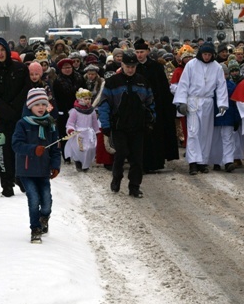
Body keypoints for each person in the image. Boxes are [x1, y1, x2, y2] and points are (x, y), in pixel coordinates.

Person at [99, 50, 156, 198]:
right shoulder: (112, 82)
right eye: (127, 66)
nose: (130, 69)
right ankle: (117, 177)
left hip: (138, 126)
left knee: (137, 159)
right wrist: (105, 125)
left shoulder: (142, 82)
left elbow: (150, 103)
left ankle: (134, 186)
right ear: (122, 64)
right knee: (121, 153)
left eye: (133, 66)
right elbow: (104, 104)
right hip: (119, 126)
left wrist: (150, 120)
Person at [11, 88, 62, 243]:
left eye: (43, 104)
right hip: (26, 170)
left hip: (43, 170)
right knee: (33, 199)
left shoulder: (50, 124)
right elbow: (16, 145)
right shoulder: (22, 124)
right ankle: (35, 229)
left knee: (46, 200)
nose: (41, 107)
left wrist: (55, 165)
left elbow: (55, 148)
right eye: (37, 104)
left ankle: (44, 217)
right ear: (30, 106)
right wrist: (33, 149)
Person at [174, 42, 228, 175]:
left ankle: (202, 161)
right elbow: (184, 83)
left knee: (206, 133)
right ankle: (193, 162)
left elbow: (221, 86)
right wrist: (181, 102)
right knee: (193, 132)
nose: (207, 57)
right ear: (200, 54)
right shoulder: (191, 65)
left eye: (209, 55)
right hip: (193, 101)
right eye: (205, 54)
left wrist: (222, 103)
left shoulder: (217, 67)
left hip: (208, 102)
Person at [0, 37, 31, 196]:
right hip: (1, 120)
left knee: (19, 150)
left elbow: (25, 91)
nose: (0, 53)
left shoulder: (20, 69)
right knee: (2, 153)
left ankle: (22, 179)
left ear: (7, 49)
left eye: (2, 50)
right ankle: (6, 184)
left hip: (19, 119)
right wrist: (6, 111)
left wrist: (15, 109)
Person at [134, 38, 179, 172]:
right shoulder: (132, 66)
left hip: (155, 106)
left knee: (155, 135)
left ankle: (155, 162)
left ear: (147, 52)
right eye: (137, 52)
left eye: (142, 52)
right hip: (137, 107)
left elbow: (163, 88)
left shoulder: (156, 67)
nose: (139, 55)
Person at [208, 64, 240, 172]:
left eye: (225, 74)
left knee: (227, 139)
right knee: (216, 139)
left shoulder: (231, 85)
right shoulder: (212, 86)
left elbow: (236, 103)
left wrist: (236, 118)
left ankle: (228, 161)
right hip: (216, 117)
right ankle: (217, 161)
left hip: (228, 116)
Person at [53, 58, 85, 161]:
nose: (67, 69)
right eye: (65, 68)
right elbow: (57, 98)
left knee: (79, 132)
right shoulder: (58, 81)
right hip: (64, 110)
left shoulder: (79, 77)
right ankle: (66, 155)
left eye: (69, 67)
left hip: (79, 109)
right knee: (64, 133)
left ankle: (79, 154)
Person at [64, 88, 100, 172]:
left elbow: (94, 122)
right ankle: (78, 161)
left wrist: (96, 131)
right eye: (85, 99)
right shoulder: (75, 111)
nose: (88, 101)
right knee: (80, 148)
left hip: (89, 133)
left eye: (89, 99)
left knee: (90, 148)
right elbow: (70, 123)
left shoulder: (92, 111)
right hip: (79, 133)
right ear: (80, 99)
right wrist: (71, 130)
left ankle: (86, 164)